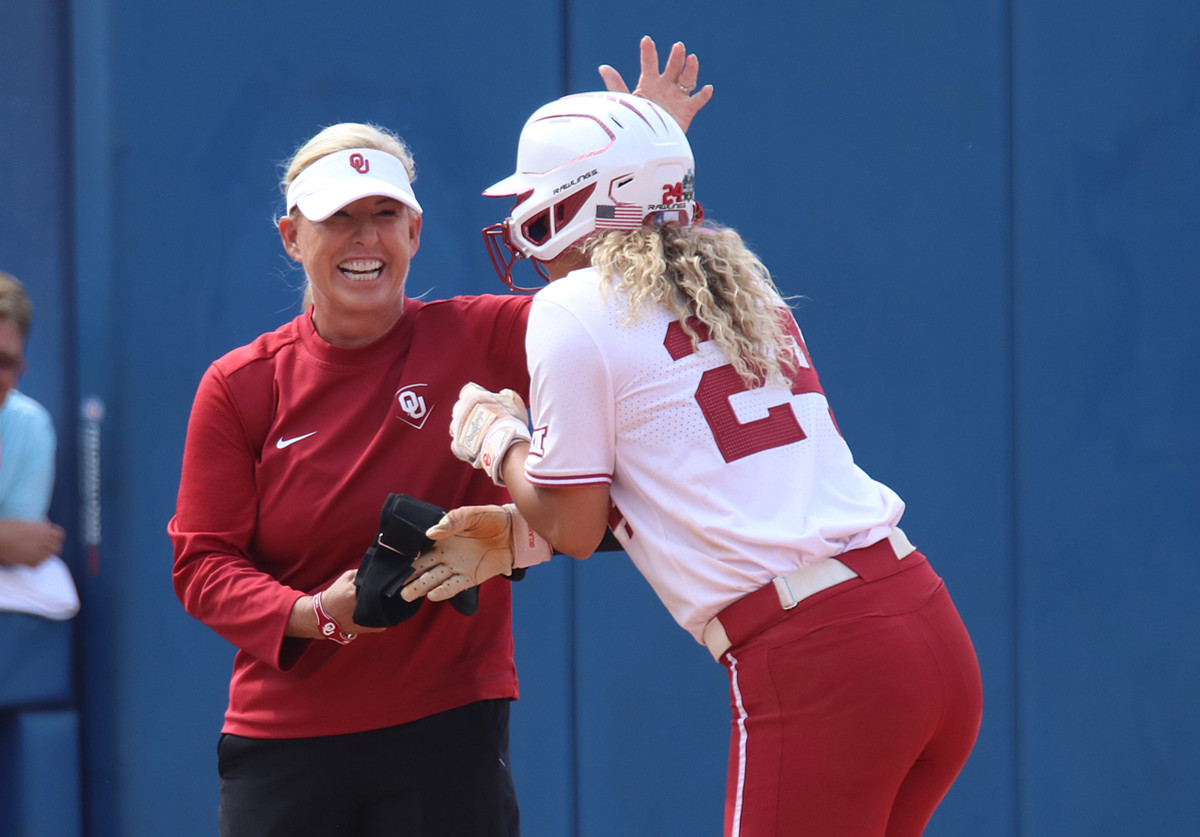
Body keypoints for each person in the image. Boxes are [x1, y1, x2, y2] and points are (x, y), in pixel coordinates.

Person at [167, 38, 709, 837]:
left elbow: (629, 298)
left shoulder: (490, 333)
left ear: (415, 230)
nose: (365, 239)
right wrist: (317, 612)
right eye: (337, 220)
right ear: (291, 237)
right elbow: (202, 563)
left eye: (384, 215)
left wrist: (641, 163)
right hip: (283, 740)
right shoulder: (240, 383)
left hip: (447, 725)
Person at [407, 91, 984, 837]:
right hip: (920, 617)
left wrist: (499, 440)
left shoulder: (572, 306)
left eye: (539, 205)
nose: (528, 229)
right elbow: (694, 480)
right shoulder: (736, 279)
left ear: (590, 201)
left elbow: (578, 523)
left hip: (818, 656)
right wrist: (518, 534)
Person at [0, 271, 77, 620]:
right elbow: (9, 540)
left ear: (22, 368)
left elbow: (23, 546)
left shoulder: (32, 426)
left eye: (5, 362)